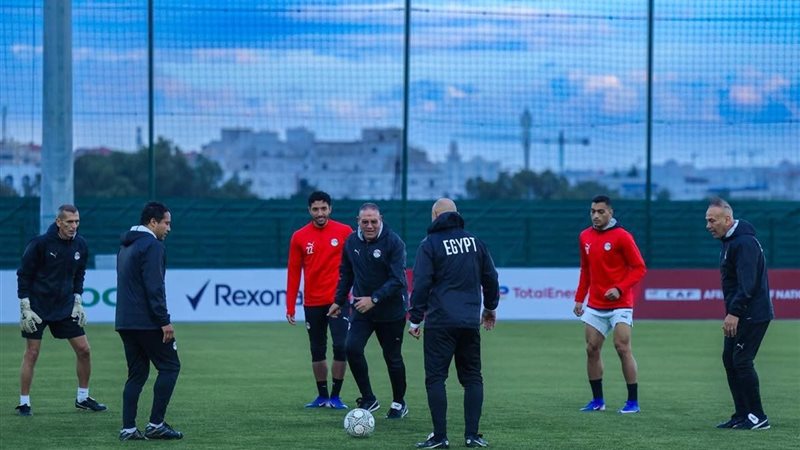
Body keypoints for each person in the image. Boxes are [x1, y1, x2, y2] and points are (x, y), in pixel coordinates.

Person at [408, 198, 500, 449]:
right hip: (469, 321)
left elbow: (422, 283)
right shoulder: (474, 242)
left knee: (436, 378)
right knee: (472, 378)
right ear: (456, 214)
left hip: (440, 322)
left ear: (435, 215)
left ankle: (440, 437)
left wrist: (415, 318)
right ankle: (472, 435)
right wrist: (490, 308)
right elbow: (491, 277)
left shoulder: (430, 244)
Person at [15, 204, 107, 416]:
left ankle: (83, 398)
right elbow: (24, 274)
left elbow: (79, 274)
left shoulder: (81, 245)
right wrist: (25, 305)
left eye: (76, 222)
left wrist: (77, 299)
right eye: (69, 222)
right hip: (37, 307)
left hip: (65, 306)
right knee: (32, 352)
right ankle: (24, 402)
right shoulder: (39, 243)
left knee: (84, 350)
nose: (74, 226)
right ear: (58, 222)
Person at [327, 202, 409, 419]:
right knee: (351, 348)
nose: (370, 225)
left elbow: (398, 280)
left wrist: (374, 298)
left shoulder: (394, 242)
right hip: (363, 310)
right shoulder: (351, 241)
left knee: (392, 357)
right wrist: (338, 300)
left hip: (391, 311)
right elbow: (347, 273)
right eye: (365, 222)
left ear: (380, 219)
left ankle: (399, 403)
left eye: (374, 221)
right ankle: (369, 398)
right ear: (358, 222)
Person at [115, 201, 183, 441]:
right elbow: (154, 287)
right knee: (170, 366)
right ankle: (155, 424)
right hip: (147, 321)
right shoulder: (152, 246)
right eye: (166, 223)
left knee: (137, 374)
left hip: (125, 321)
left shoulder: (126, 246)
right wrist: (164, 320)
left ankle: (129, 429)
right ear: (152, 222)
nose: (169, 228)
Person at [573, 195, 646, 414]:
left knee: (622, 347)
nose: (596, 215)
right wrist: (579, 298)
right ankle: (598, 401)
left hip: (621, 303)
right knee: (591, 349)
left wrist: (620, 288)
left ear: (610, 213)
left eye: (601, 211)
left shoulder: (622, 236)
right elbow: (585, 270)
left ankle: (632, 401)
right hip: (595, 304)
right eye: (593, 211)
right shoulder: (584, 236)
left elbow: (639, 268)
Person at [705, 197, 773, 430]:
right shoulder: (730, 242)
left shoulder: (744, 243)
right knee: (730, 359)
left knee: (742, 361)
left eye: (712, 220)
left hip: (752, 313)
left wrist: (734, 312)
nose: (708, 225)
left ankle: (758, 416)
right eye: (707, 220)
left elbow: (748, 283)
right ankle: (742, 414)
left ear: (728, 219)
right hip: (742, 313)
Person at [286, 191, 354, 409]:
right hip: (312, 303)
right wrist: (290, 306)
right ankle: (322, 396)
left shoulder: (345, 232)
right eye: (315, 209)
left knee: (341, 346)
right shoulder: (299, 236)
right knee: (317, 349)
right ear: (309, 210)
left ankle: (336, 396)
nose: (320, 213)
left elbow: (356, 267)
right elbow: (294, 272)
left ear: (330, 209)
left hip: (338, 301)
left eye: (323, 208)